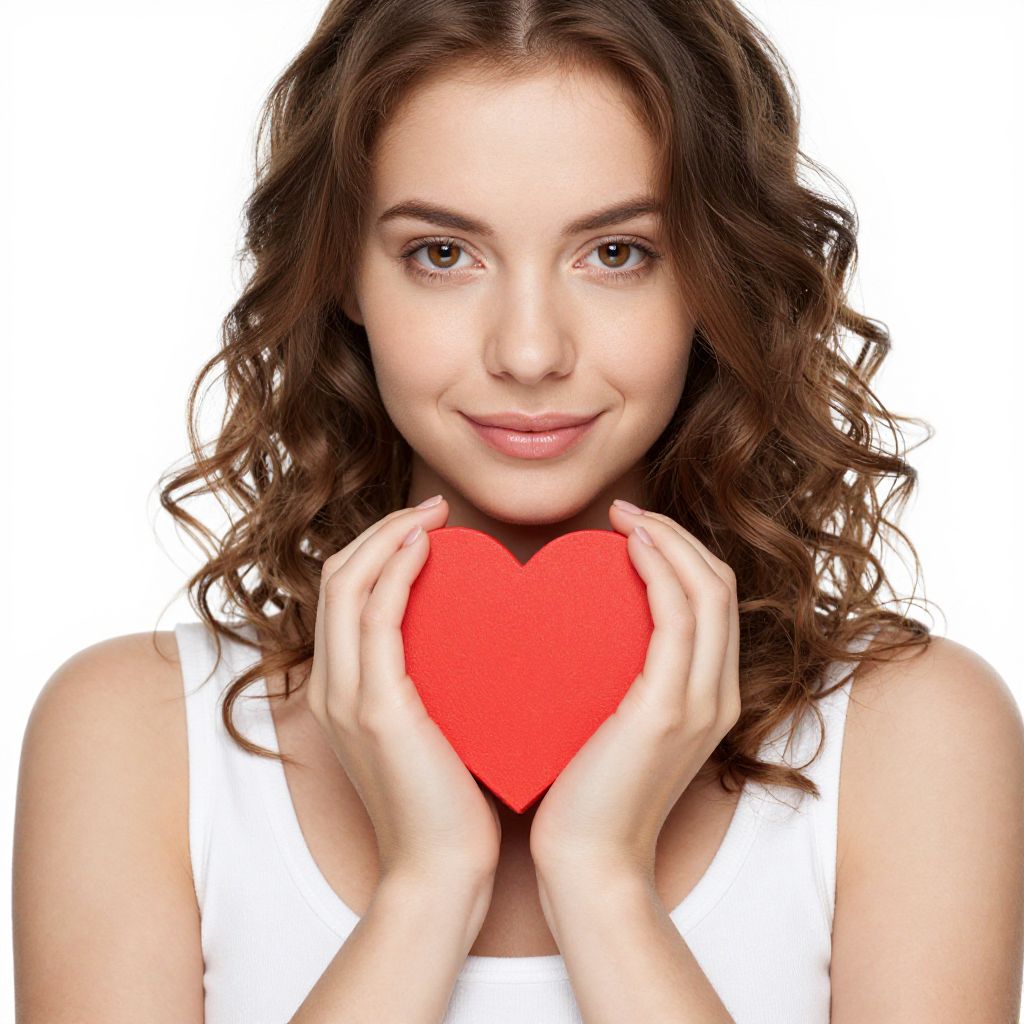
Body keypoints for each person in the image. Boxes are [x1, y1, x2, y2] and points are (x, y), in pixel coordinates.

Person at [12, 1, 1024, 1021]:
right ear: (344, 274)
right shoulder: (137, 741)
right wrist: (426, 886)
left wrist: (601, 879)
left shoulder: (909, 738)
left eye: (617, 252)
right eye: (442, 254)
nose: (530, 352)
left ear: (713, 276)